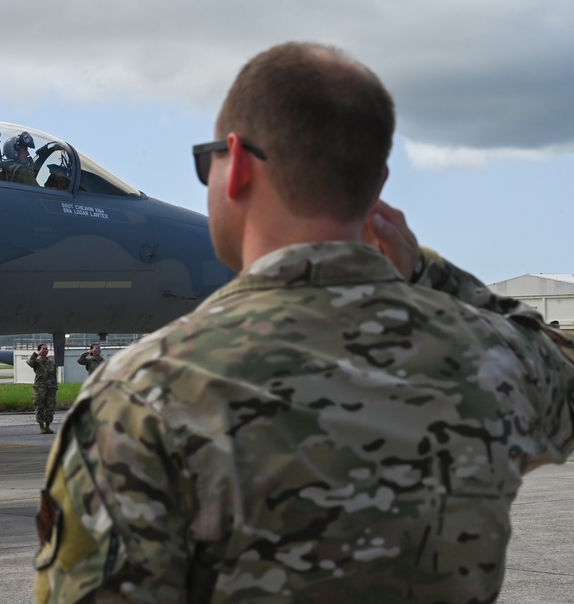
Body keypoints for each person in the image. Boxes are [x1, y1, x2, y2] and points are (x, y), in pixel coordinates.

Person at [33, 42, 574, 603]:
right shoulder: (494, 362)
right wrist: (428, 272)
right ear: (378, 183)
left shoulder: (139, 398)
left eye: (207, 159)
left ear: (237, 163)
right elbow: (560, 364)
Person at [27, 343, 58, 434]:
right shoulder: (36, 362)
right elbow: (29, 362)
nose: (45, 351)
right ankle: (41, 427)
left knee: (50, 408)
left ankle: (47, 426)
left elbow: (54, 375)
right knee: (40, 407)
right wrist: (36, 354)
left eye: (46, 349)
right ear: (40, 350)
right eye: (43, 349)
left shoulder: (51, 362)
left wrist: (55, 386)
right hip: (40, 388)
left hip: (51, 388)